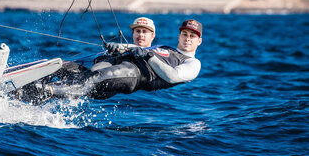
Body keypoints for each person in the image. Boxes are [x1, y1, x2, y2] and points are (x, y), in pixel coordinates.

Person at [13, 18, 202, 103]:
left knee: (95, 78)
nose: (187, 38)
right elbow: (138, 49)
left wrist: (148, 55)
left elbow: (172, 77)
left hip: (135, 76)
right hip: (118, 65)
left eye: (192, 36)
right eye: (184, 34)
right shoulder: (165, 48)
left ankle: (45, 91)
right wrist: (119, 47)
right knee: (64, 67)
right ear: (179, 36)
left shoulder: (193, 63)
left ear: (199, 41)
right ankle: (19, 90)